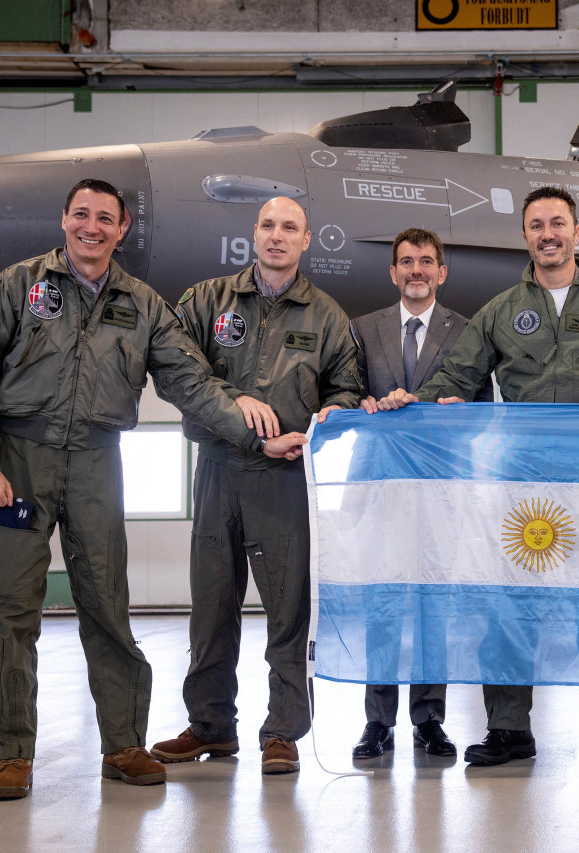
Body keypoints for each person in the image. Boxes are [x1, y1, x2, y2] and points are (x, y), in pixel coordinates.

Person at [0, 179, 306, 801]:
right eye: (81, 215)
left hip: (96, 463)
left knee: (107, 608)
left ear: (121, 231)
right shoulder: (17, 286)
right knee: (9, 611)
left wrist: (256, 438)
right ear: (64, 220)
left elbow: (193, 384)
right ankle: (12, 757)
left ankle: (122, 745)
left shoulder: (142, 304)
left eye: (105, 219)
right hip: (18, 465)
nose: (92, 227)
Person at [377, 186, 579, 768]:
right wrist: (412, 400)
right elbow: (456, 373)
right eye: (536, 225)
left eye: (557, 223)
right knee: (510, 605)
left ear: (577, 231)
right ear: (525, 236)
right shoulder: (500, 311)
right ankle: (508, 729)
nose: (547, 234)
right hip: (521, 485)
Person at [150, 197, 362, 775]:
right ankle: (211, 727)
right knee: (212, 608)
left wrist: (318, 426)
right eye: (268, 225)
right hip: (219, 470)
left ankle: (283, 733)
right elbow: (175, 371)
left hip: (286, 479)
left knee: (288, 611)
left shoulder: (328, 317)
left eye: (289, 227)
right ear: (254, 233)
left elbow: (347, 389)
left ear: (306, 240)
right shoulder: (206, 302)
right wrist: (235, 404)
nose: (277, 236)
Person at [349, 228, 490, 761]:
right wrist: (359, 403)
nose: (416, 271)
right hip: (381, 485)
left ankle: (429, 719)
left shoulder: (468, 331)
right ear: (392, 272)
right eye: (406, 262)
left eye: (426, 262)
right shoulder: (362, 329)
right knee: (382, 603)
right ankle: (377, 722)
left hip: (442, 487)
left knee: (434, 605)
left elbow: (482, 408)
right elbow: (344, 391)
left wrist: (459, 419)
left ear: (442, 272)